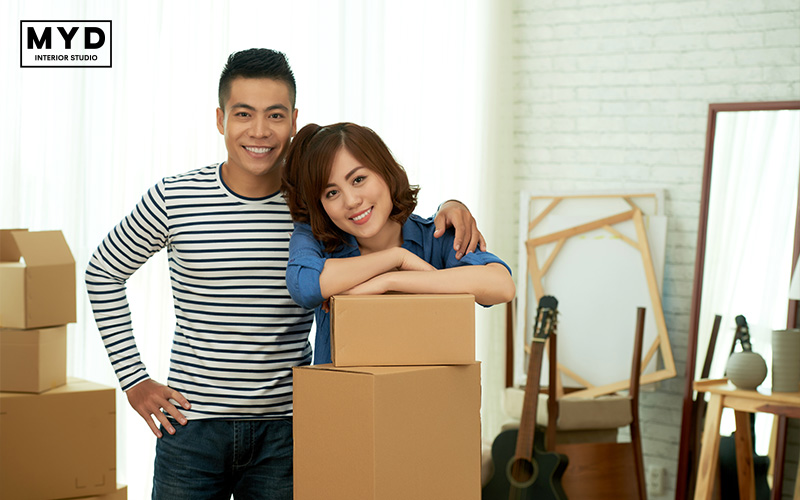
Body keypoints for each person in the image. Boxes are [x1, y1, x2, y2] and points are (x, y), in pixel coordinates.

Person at [84, 49, 485, 499]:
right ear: (220, 120)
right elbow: (102, 273)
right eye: (243, 114)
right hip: (192, 429)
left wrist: (452, 206)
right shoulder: (175, 198)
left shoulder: (320, 209)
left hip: (289, 430)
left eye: (275, 115)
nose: (259, 131)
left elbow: (384, 213)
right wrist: (134, 380)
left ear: (294, 121)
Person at [282, 122, 516, 364]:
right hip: (344, 399)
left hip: (428, 397)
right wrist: (396, 258)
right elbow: (304, 285)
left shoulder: (435, 237)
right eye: (332, 193)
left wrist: (389, 280)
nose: (351, 201)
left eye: (359, 179)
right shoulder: (319, 242)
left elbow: (502, 285)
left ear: (385, 171)